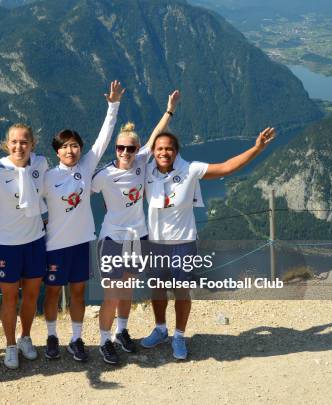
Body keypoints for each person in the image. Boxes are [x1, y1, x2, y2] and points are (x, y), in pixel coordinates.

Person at [141, 126, 276, 360]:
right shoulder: (146, 172)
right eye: (160, 148)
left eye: (169, 149)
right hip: (155, 243)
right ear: (153, 151)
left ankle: (179, 336)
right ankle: (160, 329)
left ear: (176, 151)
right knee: (157, 289)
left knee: (181, 291)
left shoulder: (190, 169)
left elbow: (226, 167)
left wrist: (256, 148)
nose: (164, 152)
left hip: (183, 243)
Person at [92, 90, 181, 364]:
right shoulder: (104, 175)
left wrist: (169, 110)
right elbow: (79, 192)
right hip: (112, 239)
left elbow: (156, 135)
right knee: (111, 294)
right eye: (121, 148)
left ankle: (122, 332)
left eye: (131, 148)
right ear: (114, 149)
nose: (126, 153)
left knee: (128, 289)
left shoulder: (143, 161)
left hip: (137, 237)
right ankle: (104, 341)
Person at [41, 81, 124, 362]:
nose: (70, 151)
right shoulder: (47, 176)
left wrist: (113, 105)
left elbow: (104, 138)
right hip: (54, 245)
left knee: (78, 294)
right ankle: (52, 336)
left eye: (75, 146)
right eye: (65, 147)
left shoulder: (87, 167)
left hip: (81, 243)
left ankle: (76, 339)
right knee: (52, 294)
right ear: (57, 151)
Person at [0, 123, 48, 369]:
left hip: (35, 240)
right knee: (9, 298)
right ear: (7, 144)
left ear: (32, 144)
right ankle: (10, 345)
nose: (19, 146)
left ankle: (25, 337)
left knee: (31, 295)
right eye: (14, 142)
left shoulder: (40, 164)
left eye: (24, 142)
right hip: (7, 244)